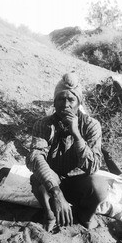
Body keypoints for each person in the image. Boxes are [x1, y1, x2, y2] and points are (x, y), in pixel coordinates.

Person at [25, 73, 112, 231]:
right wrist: (56, 192)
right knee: (38, 180)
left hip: (78, 180)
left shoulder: (91, 126)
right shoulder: (43, 124)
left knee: (100, 187)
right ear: (54, 102)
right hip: (52, 182)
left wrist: (76, 135)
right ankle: (49, 214)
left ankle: (84, 216)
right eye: (61, 99)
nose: (65, 104)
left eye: (71, 100)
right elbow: (35, 158)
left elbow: (92, 167)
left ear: (79, 102)